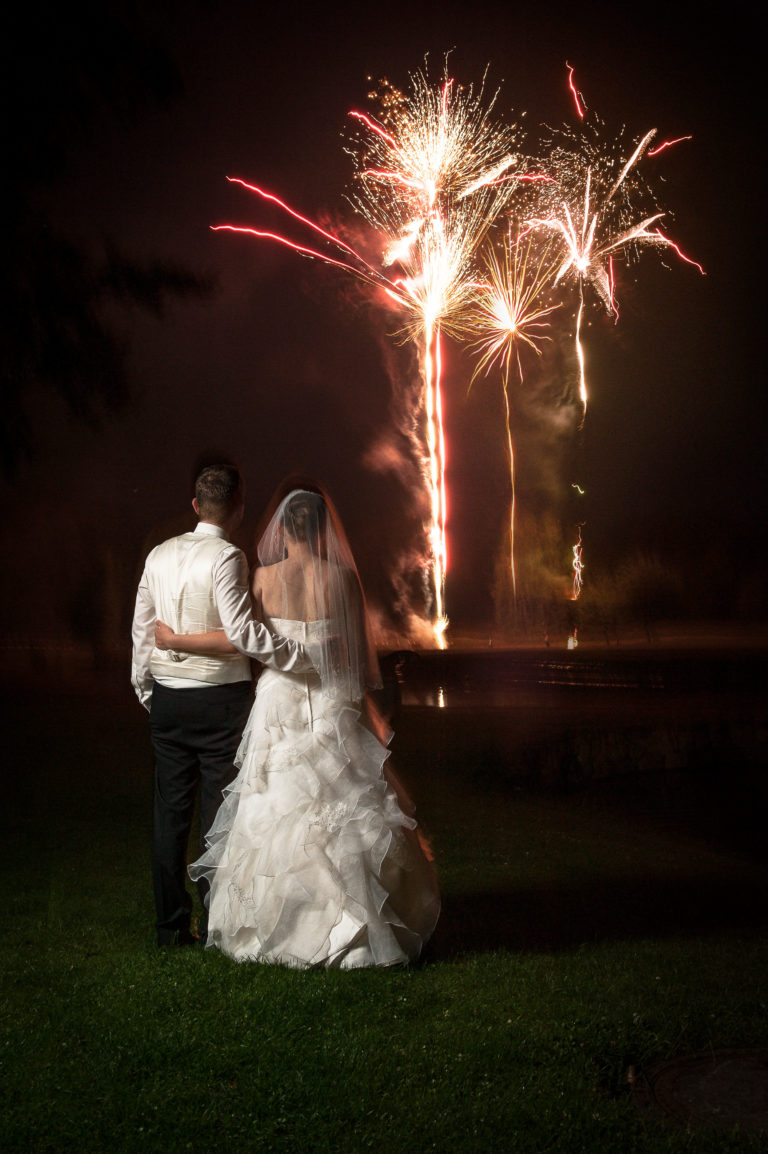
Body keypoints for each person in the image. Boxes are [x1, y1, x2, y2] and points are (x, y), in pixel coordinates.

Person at [154, 484, 440, 968]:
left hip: (279, 701)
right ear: (324, 530)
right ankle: (357, 927)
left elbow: (244, 640)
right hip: (332, 702)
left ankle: (274, 928)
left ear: (282, 530)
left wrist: (176, 640)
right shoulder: (342, 579)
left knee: (273, 804)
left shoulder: (264, 578)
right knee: (346, 804)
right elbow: (356, 658)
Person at [131, 464, 316, 947]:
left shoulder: (158, 555)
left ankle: (171, 927)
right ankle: (216, 921)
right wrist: (298, 656)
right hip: (219, 701)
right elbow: (241, 633)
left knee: (170, 816)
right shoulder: (228, 556)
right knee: (219, 813)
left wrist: (149, 692)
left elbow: (141, 632)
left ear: (196, 505)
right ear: (238, 508)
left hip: (168, 699)